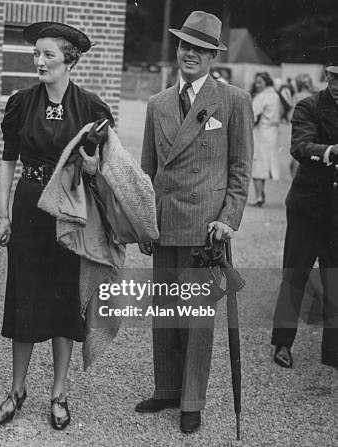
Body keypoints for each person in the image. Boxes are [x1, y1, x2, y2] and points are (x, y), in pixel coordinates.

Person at [0, 22, 114, 430]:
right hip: (28, 208)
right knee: (23, 297)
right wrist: (2, 215)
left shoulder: (91, 108)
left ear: (69, 60)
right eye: (36, 55)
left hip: (69, 213)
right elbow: (9, 160)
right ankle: (17, 390)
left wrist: (95, 167)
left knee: (64, 302)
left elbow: (106, 172)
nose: (39, 62)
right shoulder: (22, 103)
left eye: (48, 55)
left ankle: (59, 393)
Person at [137, 11, 253, 434]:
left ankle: (192, 401)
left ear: (212, 56)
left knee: (197, 318)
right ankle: (167, 390)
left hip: (206, 230)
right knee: (165, 312)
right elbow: (147, 173)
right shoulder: (158, 103)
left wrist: (228, 220)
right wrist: (144, 225)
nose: (190, 54)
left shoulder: (234, 100)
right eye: (185, 46)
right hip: (166, 223)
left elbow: (241, 170)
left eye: (200, 49)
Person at [270, 46, 338, 371]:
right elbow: (300, 146)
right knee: (295, 275)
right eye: (334, 77)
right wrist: (331, 152)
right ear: (326, 75)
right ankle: (282, 342)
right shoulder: (308, 106)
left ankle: (332, 350)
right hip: (308, 209)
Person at [250, 72, 282, 206]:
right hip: (272, 133)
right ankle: (260, 193)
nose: (257, 85)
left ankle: (258, 197)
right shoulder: (275, 95)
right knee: (265, 164)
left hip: (261, 133)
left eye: (260, 82)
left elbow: (253, 116)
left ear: (266, 82)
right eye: (256, 82)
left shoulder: (261, 97)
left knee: (257, 165)